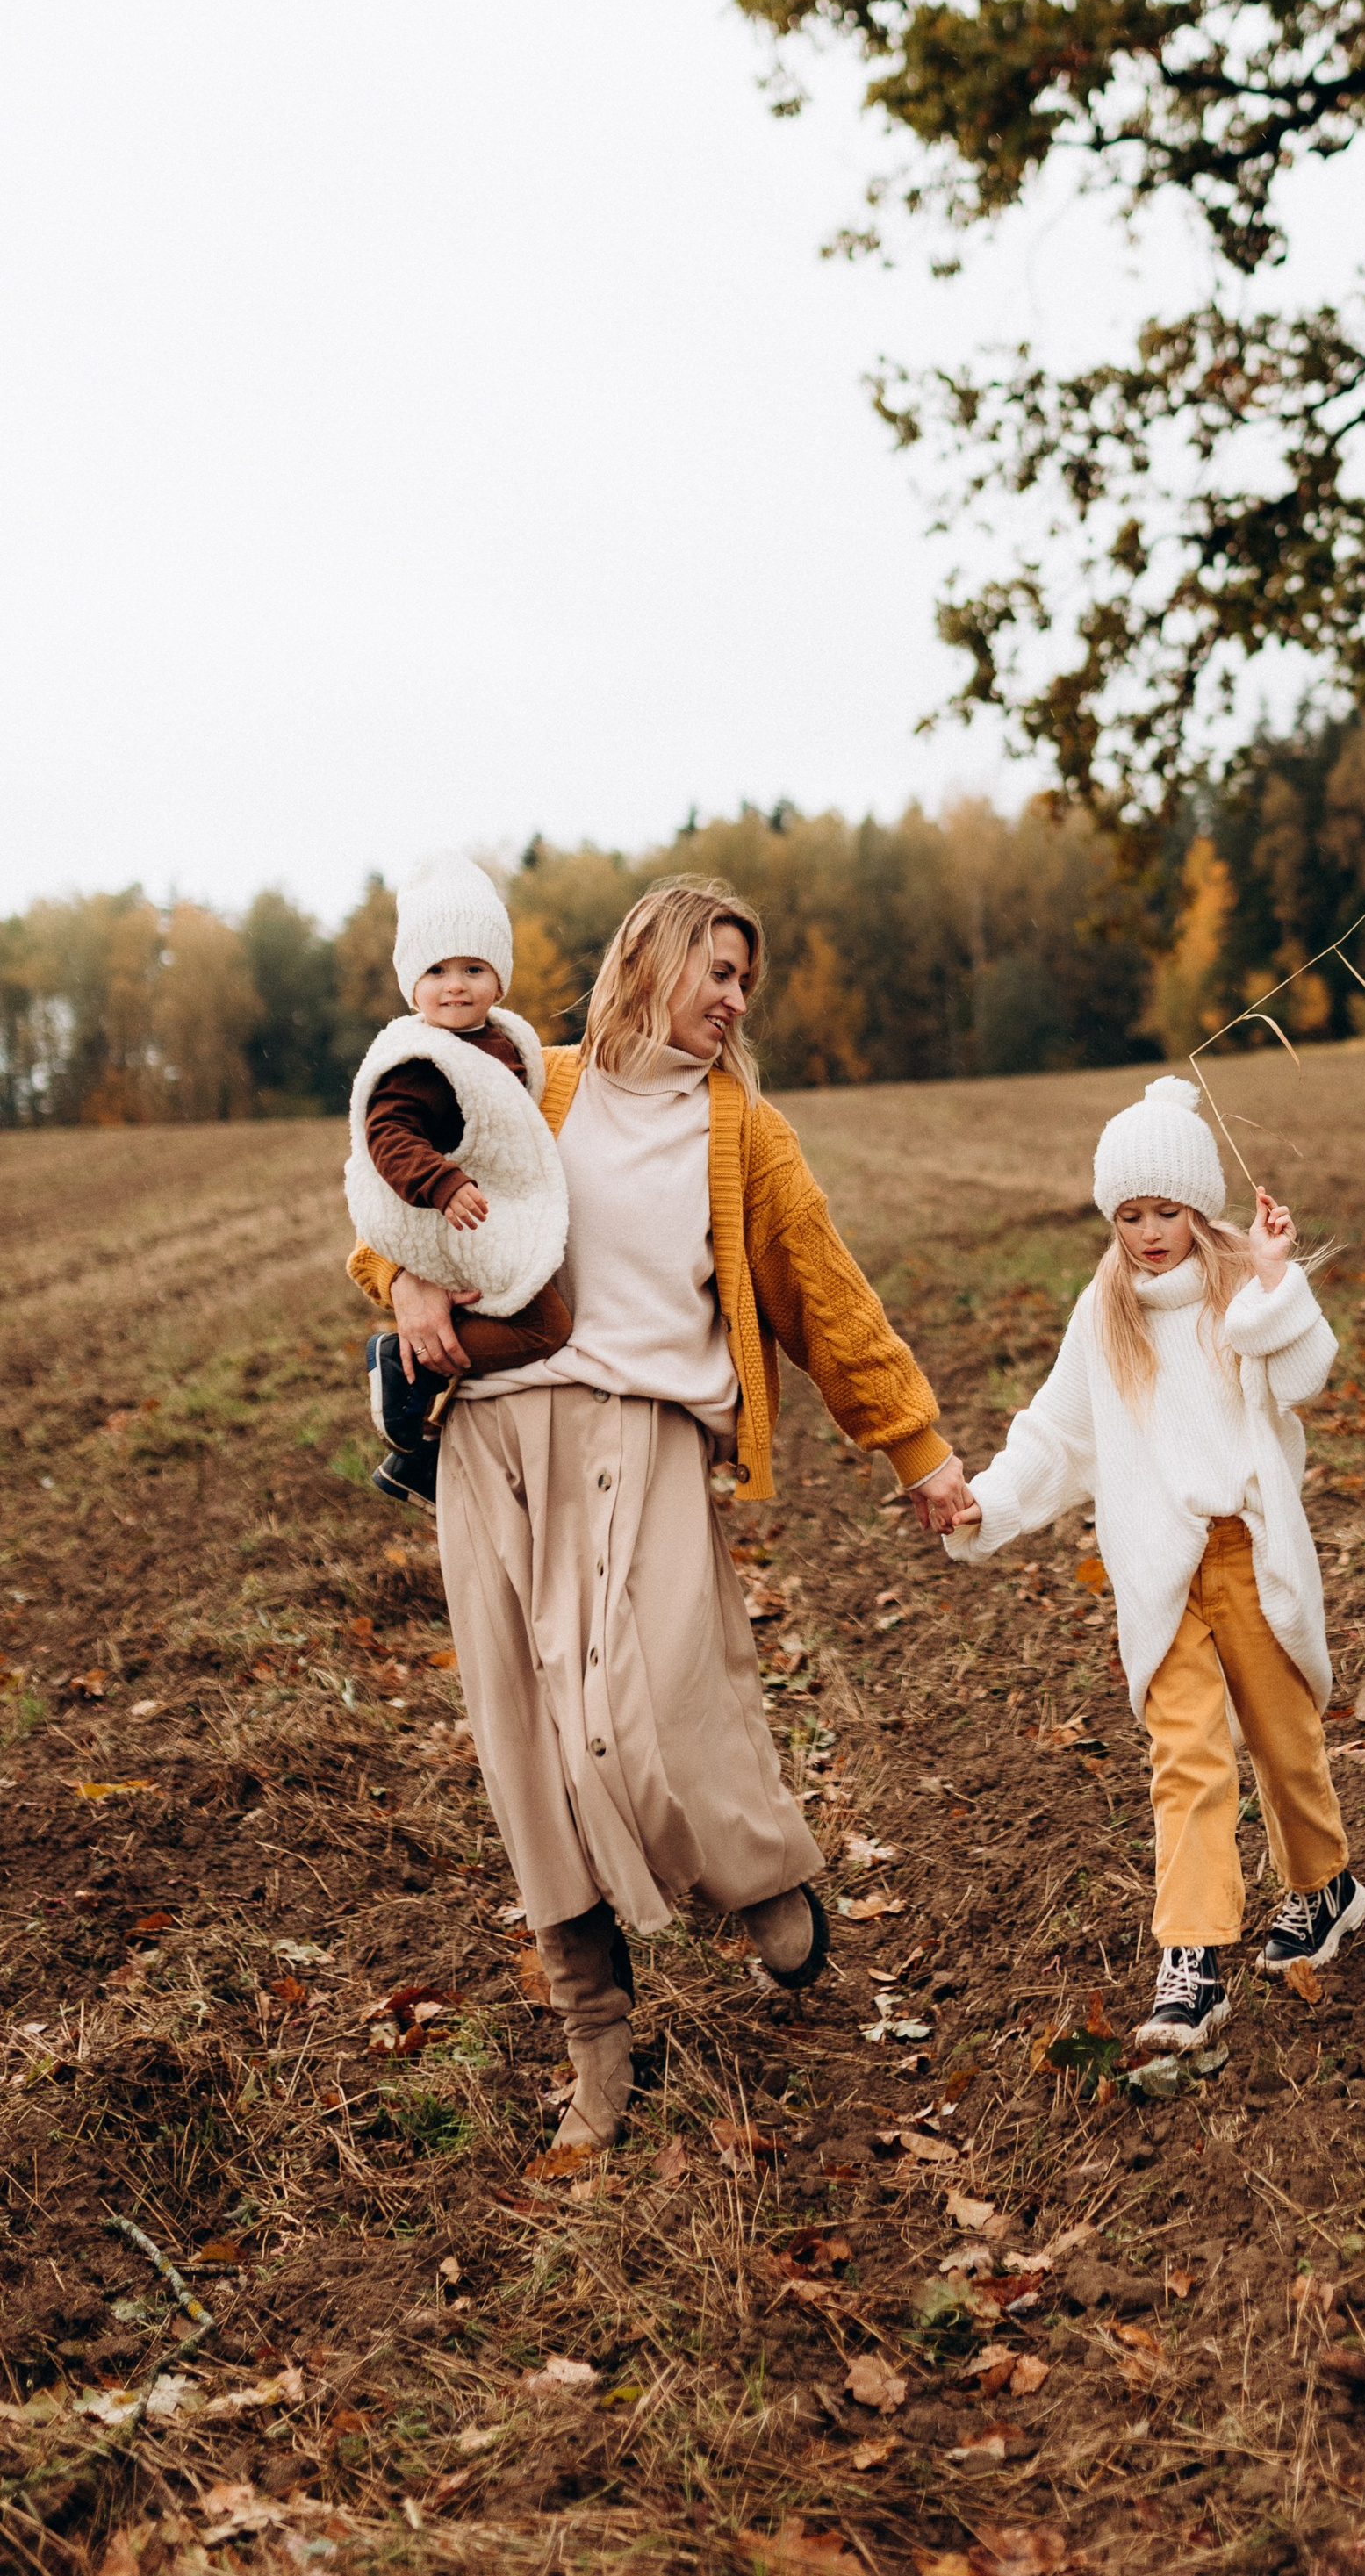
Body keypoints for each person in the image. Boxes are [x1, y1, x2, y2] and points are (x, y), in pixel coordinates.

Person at [348, 874, 974, 2151]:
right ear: (655, 958)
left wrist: (916, 1446)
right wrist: (403, 1279)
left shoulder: (741, 1131)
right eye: (722, 972)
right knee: (526, 1744)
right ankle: (598, 2045)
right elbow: (389, 1193)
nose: (737, 1001)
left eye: (748, 981)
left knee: (657, 1706)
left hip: (645, 1428)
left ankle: (761, 1881)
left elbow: (827, 1299)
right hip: (491, 1434)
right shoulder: (533, 1081)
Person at [939, 1073, 1365, 2058]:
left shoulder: (1235, 1297)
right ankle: (1192, 1959)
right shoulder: (1105, 1315)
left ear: (1197, 1205)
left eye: (1164, 1211)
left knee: (1281, 1737)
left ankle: (1325, 1886)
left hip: (1247, 1555)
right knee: (1187, 1756)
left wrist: (1270, 1278)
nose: (1146, 1233)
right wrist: (986, 1506)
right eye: (1127, 1214)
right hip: (1159, 1576)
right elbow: (1056, 1436)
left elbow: (1305, 1374)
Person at [346, 854, 575, 1500]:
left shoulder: (500, 1043)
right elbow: (387, 1135)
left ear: (499, 980)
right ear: (410, 985)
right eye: (436, 970)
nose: (455, 985)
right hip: (447, 1216)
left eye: (473, 968)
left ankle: (417, 1455)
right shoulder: (421, 1060)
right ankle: (404, 1364)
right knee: (544, 1325)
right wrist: (441, 1182)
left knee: (519, 1317)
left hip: (480, 1210)